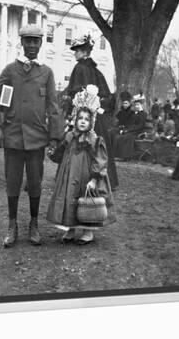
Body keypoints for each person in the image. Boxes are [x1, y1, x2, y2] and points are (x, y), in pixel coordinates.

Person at [0, 25, 62, 247]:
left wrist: (55, 137)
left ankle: (34, 224)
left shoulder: (46, 72)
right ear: (21, 42)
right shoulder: (11, 70)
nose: (31, 45)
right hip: (13, 137)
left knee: (35, 183)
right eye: (27, 40)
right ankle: (12, 226)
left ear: (41, 43)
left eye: (35, 41)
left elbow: (53, 106)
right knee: (12, 183)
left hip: (37, 139)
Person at [46, 88, 115, 245]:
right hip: (69, 174)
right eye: (80, 118)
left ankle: (88, 231)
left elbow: (100, 160)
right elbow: (60, 153)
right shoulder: (70, 136)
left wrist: (95, 179)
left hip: (86, 175)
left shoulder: (94, 139)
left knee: (86, 200)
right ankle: (70, 228)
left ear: (92, 122)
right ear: (75, 119)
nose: (83, 121)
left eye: (86, 119)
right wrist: (53, 149)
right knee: (69, 198)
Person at [62, 34, 118, 188]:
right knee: (98, 145)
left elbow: (74, 93)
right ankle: (106, 179)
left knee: (81, 144)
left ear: (85, 52)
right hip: (96, 118)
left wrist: (70, 110)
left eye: (78, 50)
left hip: (83, 117)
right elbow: (106, 96)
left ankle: (79, 177)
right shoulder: (96, 71)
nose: (75, 53)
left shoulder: (79, 68)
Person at [112, 95, 148, 159]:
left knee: (125, 137)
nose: (136, 106)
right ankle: (118, 155)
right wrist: (124, 128)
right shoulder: (133, 113)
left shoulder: (143, 114)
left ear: (141, 106)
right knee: (117, 136)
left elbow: (140, 126)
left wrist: (128, 130)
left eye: (138, 105)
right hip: (131, 130)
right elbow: (129, 123)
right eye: (135, 105)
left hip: (137, 131)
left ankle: (125, 156)